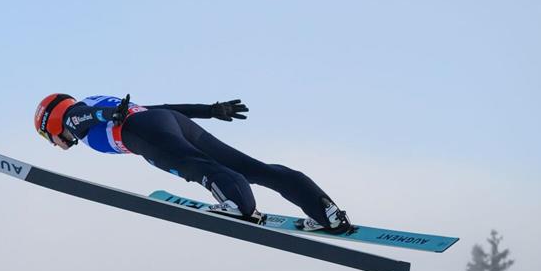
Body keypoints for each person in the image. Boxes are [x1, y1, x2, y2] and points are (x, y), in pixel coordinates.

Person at [33, 93, 351, 233]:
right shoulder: (94, 100)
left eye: (50, 137)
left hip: (140, 132)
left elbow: (86, 117)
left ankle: (240, 207)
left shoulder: (76, 117)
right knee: (253, 168)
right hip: (167, 120)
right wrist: (210, 110)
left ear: (53, 123)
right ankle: (328, 213)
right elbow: (162, 107)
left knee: (200, 168)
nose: (57, 144)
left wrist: (107, 116)